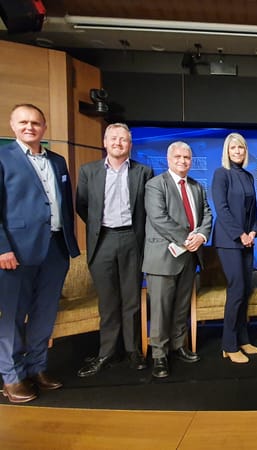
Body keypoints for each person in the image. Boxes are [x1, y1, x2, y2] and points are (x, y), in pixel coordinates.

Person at [0, 104, 79, 403]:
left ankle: (36, 367)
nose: (30, 127)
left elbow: (64, 204)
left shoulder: (57, 161)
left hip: (55, 248)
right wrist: (2, 248)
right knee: (12, 317)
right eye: (23, 122)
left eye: (35, 122)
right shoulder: (3, 157)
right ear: (12, 125)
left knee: (44, 314)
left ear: (44, 127)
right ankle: (12, 376)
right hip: (16, 252)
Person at [76, 123, 154, 377]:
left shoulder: (144, 172)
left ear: (130, 145)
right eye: (114, 139)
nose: (118, 143)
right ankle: (107, 351)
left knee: (131, 298)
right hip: (103, 240)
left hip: (132, 238)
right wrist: (101, 228)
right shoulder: (89, 171)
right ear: (105, 142)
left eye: (123, 140)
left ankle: (133, 350)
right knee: (108, 301)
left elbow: (148, 208)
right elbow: (83, 205)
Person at [142, 141, 212, 378]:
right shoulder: (155, 185)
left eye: (187, 158)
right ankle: (159, 355)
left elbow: (207, 214)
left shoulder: (197, 186)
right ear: (168, 158)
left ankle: (178, 345)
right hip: (163, 257)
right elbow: (158, 218)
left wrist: (201, 236)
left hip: (190, 256)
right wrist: (186, 238)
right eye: (178, 157)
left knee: (182, 305)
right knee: (160, 309)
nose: (183, 161)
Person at [212, 133, 257, 364]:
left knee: (246, 290)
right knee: (237, 288)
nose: (238, 152)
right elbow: (221, 209)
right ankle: (228, 345)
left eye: (241, 148)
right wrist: (240, 234)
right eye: (233, 148)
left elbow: (253, 211)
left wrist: (252, 232)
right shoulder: (221, 174)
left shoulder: (249, 176)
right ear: (227, 151)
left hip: (246, 241)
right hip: (228, 240)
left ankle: (243, 339)